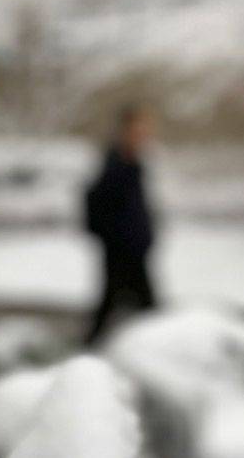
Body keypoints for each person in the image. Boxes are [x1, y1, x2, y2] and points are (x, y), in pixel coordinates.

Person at [84, 104, 157, 344]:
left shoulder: (131, 162)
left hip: (132, 249)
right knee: (145, 307)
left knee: (124, 305)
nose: (144, 133)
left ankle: (95, 346)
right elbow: (106, 207)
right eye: (139, 128)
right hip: (122, 251)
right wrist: (122, 238)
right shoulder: (116, 165)